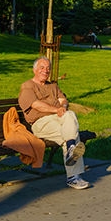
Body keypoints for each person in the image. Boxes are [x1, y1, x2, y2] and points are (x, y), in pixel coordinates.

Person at [18, 57, 90, 190]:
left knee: (69, 118)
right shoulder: (28, 86)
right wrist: (58, 109)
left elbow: (64, 100)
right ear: (34, 70)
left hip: (59, 119)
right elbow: (36, 105)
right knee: (72, 134)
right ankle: (74, 177)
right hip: (41, 123)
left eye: (48, 68)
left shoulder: (52, 86)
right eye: (42, 67)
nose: (45, 70)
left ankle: (70, 150)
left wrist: (62, 106)